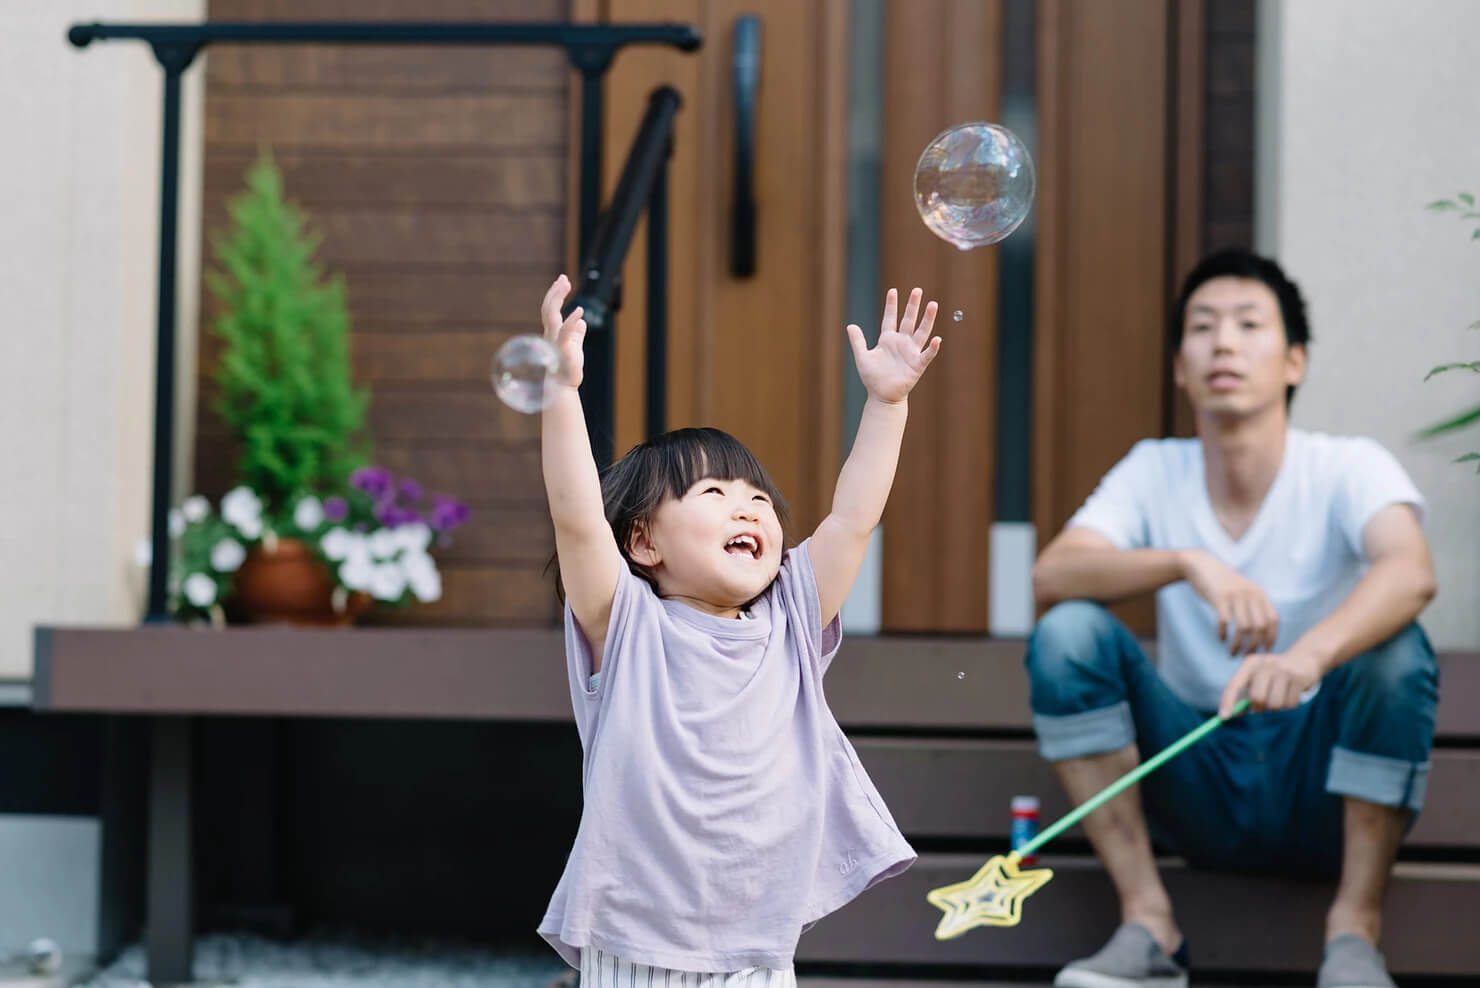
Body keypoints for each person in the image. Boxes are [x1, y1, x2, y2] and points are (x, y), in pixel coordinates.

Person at [1026, 248, 1438, 988]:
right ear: (1180, 369)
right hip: (1197, 777)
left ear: (1294, 361)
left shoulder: (1346, 466)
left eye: (1249, 325)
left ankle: (1355, 933)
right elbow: (1053, 575)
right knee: (1068, 635)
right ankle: (1149, 924)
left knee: (1396, 652)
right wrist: (1187, 562)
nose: (1223, 343)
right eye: (1203, 327)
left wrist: (1305, 658)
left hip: (1320, 781)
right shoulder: (1155, 469)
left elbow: (1410, 571)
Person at [534, 274, 942, 985]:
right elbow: (576, 518)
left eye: (758, 498)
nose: (748, 508)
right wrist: (562, 394)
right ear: (643, 543)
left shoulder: (791, 617)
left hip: (757, 942)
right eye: (715, 493)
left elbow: (853, 519)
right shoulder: (628, 624)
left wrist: (887, 404)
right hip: (637, 939)